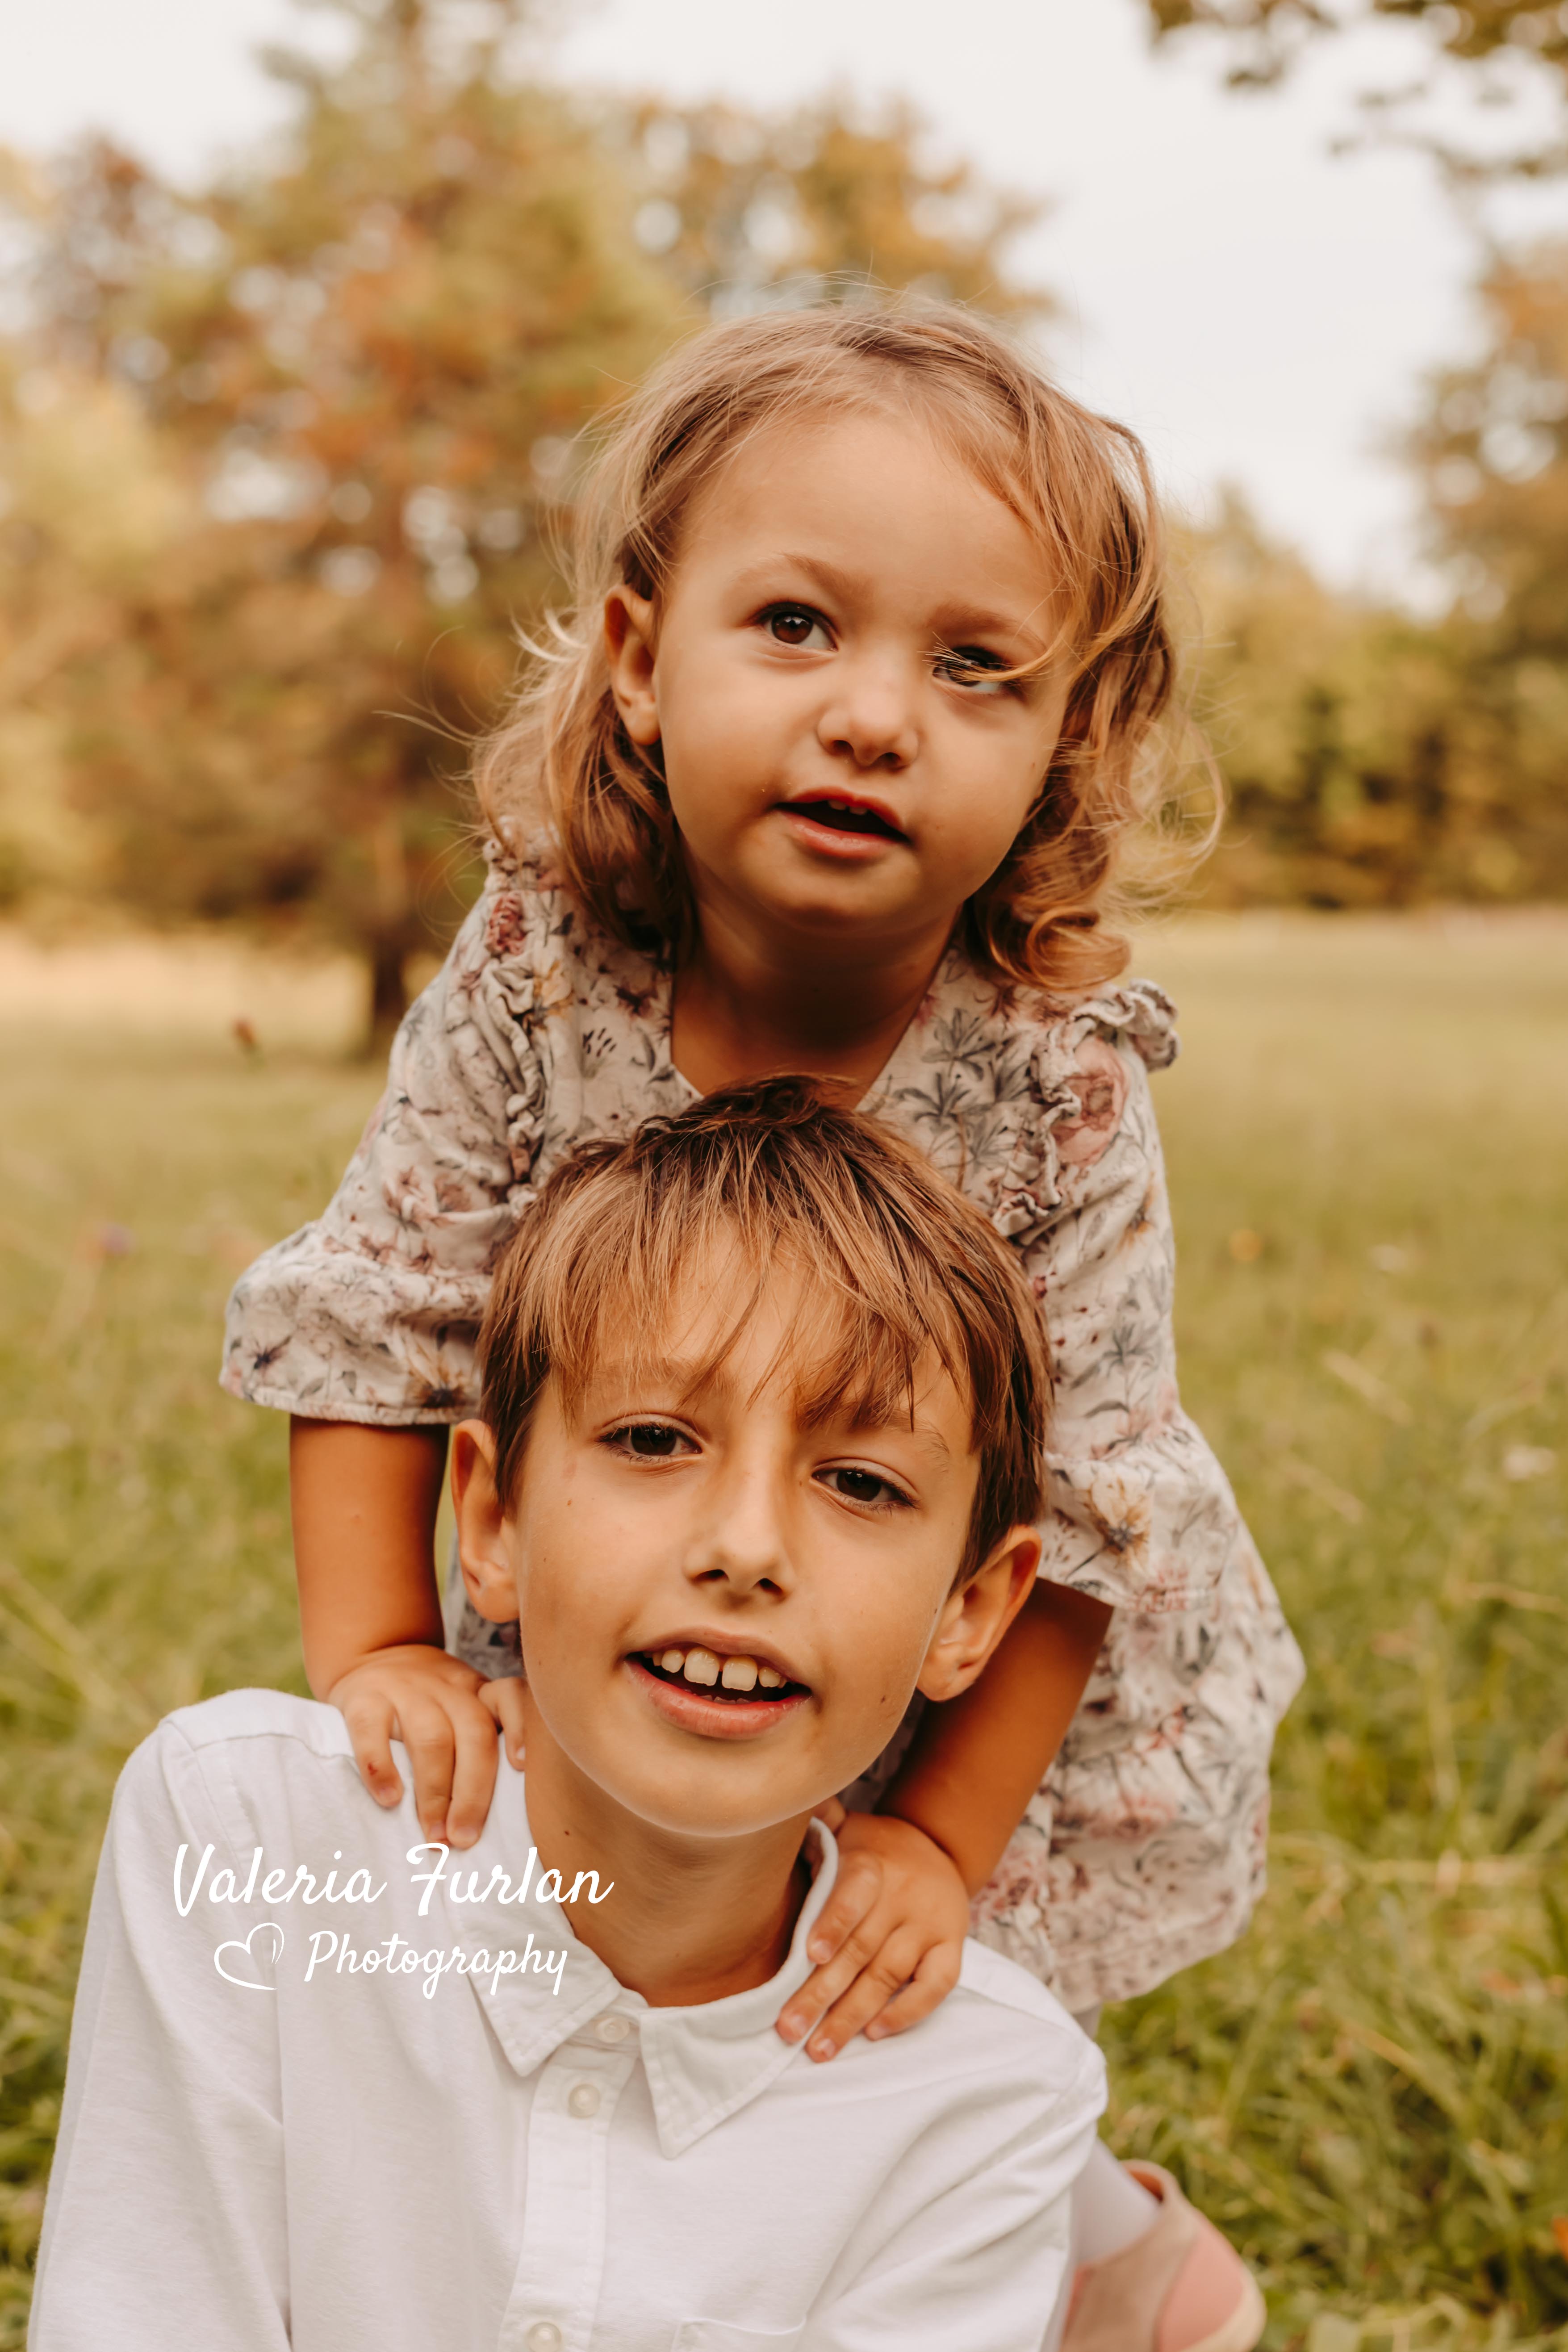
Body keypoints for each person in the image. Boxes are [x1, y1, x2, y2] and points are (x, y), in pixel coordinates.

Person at [223, 301, 1302, 2346]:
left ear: (1059, 745)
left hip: (938, 1661)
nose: (873, 714)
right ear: (639, 658)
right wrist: (379, 1657)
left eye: (971, 666)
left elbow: (1083, 1512)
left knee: (868, 1997)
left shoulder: (1055, 1080)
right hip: (627, 1571)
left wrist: (928, 1840)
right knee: (553, 1950)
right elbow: (381, 1316)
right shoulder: (546, 965)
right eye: (795, 625)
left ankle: (1107, 2258)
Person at [34, 1086, 1110, 2349]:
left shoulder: (985, 2093)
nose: (747, 1548)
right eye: (655, 1438)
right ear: (490, 1519)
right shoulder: (249, 1845)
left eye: (861, 1481)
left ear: (970, 1611)